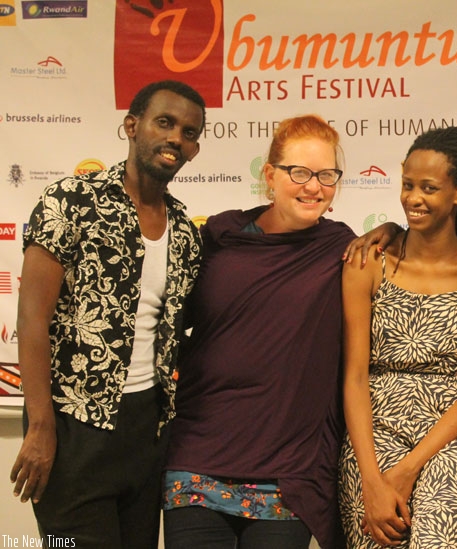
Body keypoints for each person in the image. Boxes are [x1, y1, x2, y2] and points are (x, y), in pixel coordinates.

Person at [10, 80, 205, 548]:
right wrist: (40, 427)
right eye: (164, 122)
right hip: (71, 428)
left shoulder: (185, 230)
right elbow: (32, 320)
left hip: (146, 433)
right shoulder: (71, 201)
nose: (175, 138)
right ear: (132, 126)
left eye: (189, 132)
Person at [162, 114, 355, 549]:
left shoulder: (343, 250)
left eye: (326, 175)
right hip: (198, 456)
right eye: (299, 172)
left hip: (287, 470)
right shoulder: (221, 236)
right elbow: (167, 318)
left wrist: (390, 231)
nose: (314, 187)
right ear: (269, 175)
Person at [337, 127, 457, 548]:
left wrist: (409, 469)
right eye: (408, 185)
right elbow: (355, 378)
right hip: (374, 436)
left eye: (428, 188)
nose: (413, 198)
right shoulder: (368, 263)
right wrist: (371, 479)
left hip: (452, 437)